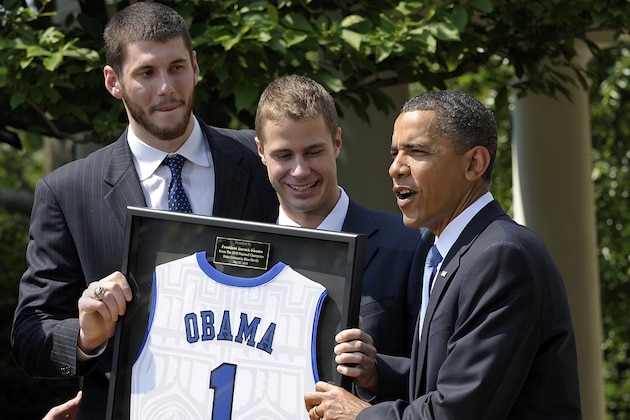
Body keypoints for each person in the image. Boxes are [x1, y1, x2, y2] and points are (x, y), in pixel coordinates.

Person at [11, 2, 278, 419]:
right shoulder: (67, 191)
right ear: (113, 81)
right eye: (146, 73)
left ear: (195, 65)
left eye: (176, 67)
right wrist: (85, 335)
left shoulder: (262, 160)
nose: (167, 87)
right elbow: (31, 336)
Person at [304, 90, 582, 419]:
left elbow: (459, 409)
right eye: (394, 154)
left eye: (417, 152)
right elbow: (446, 380)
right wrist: (376, 372)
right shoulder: (449, 252)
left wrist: (359, 415)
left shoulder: (502, 257)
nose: (396, 168)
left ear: (474, 164)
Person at [254, 74, 428, 360]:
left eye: (313, 152)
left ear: (336, 142)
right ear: (261, 151)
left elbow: (429, 375)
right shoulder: (240, 262)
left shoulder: (410, 245)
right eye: (284, 155)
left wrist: (376, 371)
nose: (299, 170)